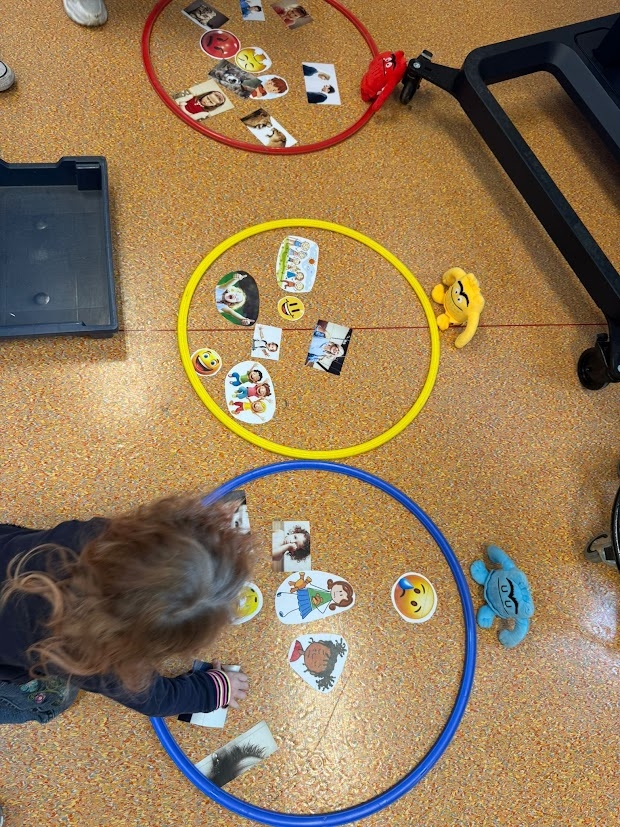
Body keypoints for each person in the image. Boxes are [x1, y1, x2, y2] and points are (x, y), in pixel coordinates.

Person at [0, 494, 253, 724]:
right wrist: (213, 690)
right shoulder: (90, 658)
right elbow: (156, 700)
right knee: (57, 697)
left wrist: (207, 530)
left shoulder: (90, 535)